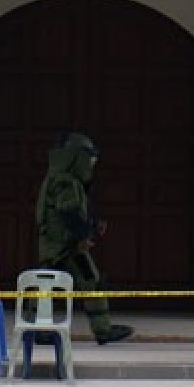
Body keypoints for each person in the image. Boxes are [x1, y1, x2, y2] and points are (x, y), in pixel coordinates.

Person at [34, 132, 133, 345]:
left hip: (56, 245)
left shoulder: (58, 177)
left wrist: (92, 224)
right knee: (90, 281)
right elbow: (69, 212)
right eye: (89, 160)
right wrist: (83, 234)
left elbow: (74, 211)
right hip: (66, 247)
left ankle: (38, 330)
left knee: (45, 284)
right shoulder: (65, 181)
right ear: (76, 158)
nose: (92, 165)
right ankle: (102, 330)